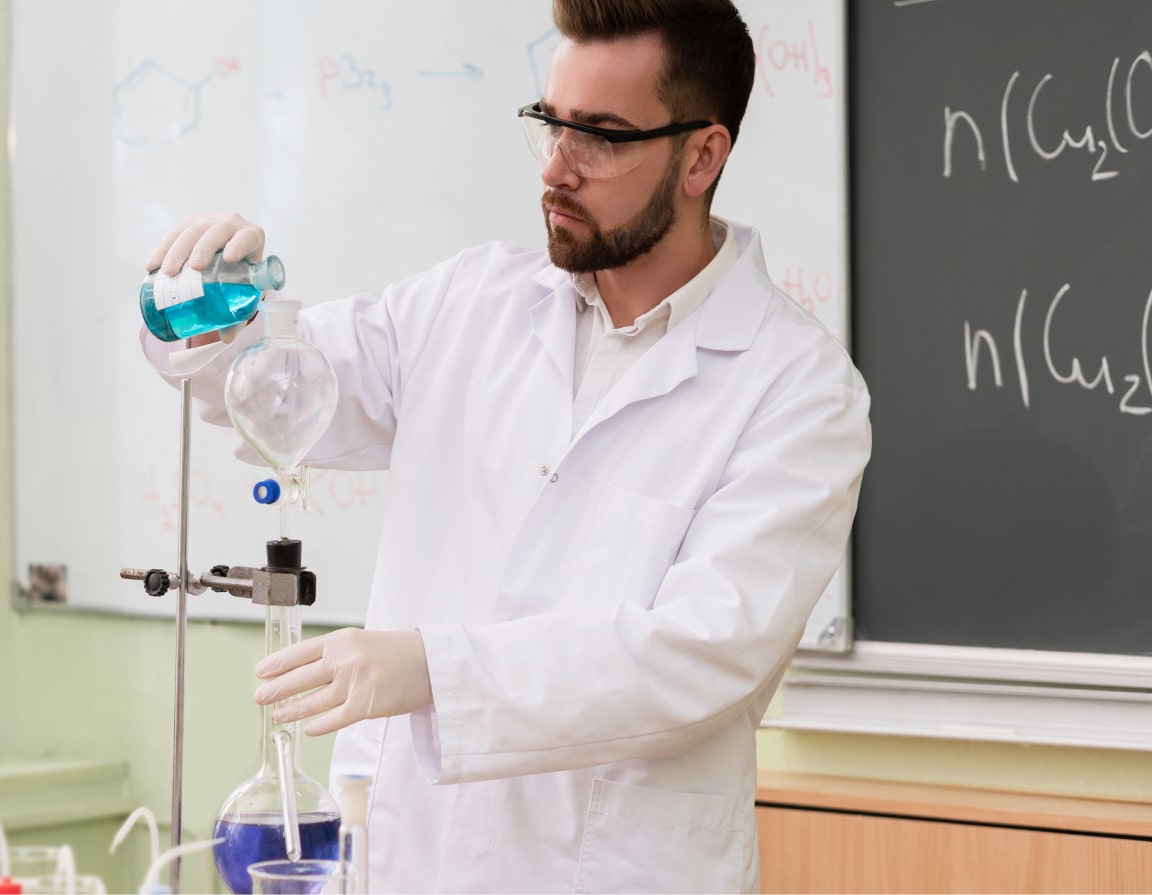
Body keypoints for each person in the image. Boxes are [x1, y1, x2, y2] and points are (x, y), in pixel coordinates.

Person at [142, 0, 870, 890]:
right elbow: (276, 390)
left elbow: (699, 654)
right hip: (411, 861)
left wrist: (433, 669)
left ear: (702, 156)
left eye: (600, 137)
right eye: (551, 124)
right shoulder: (470, 302)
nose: (557, 168)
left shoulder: (797, 389)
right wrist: (210, 308)